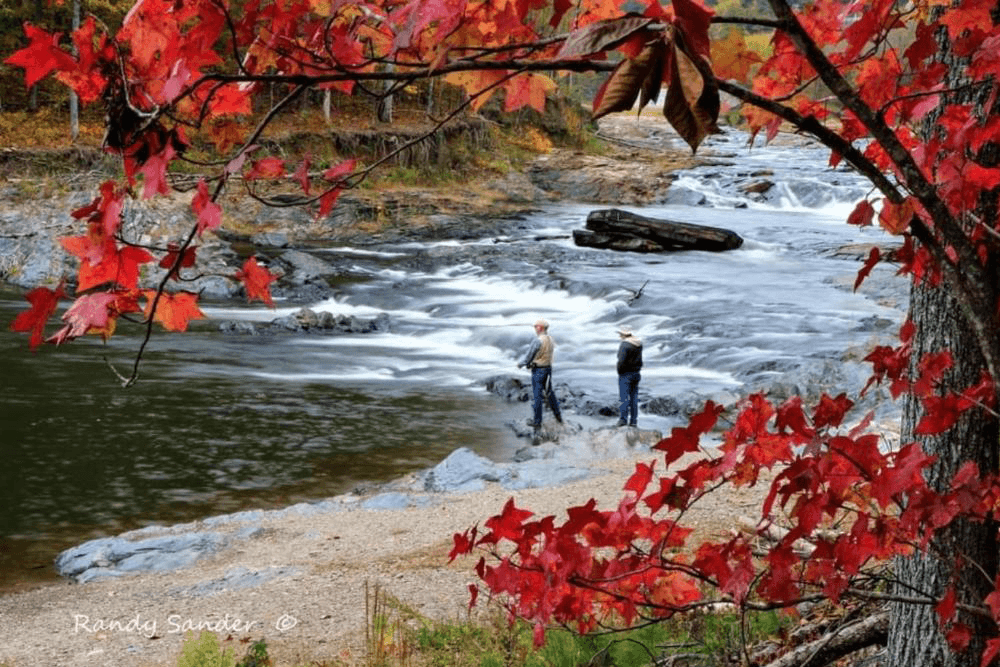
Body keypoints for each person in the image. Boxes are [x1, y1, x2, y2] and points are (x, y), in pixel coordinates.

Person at [517, 319, 563, 429]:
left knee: (537, 397)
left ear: (540, 328)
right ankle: (558, 417)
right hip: (548, 370)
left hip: (538, 371)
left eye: (536, 327)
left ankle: (537, 422)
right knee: (550, 393)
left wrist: (521, 364)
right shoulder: (550, 339)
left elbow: (529, 356)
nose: (535, 329)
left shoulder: (537, 341)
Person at [616, 326, 642, 427]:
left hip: (626, 374)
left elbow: (621, 360)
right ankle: (633, 422)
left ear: (623, 335)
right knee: (634, 399)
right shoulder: (638, 344)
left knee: (624, 398)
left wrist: (619, 371)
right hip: (636, 373)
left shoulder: (625, 345)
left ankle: (623, 421)